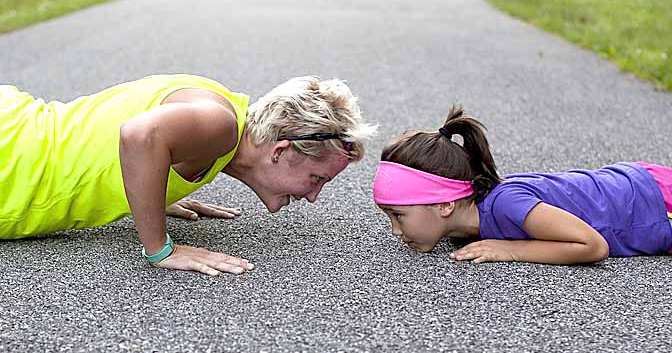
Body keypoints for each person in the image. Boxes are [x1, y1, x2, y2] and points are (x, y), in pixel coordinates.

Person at [1, 74, 376, 275]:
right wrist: (160, 248)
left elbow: (126, 131)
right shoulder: (221, 125)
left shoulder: (223, 115)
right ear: (280, 151)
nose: (313, 196)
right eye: (317, 179)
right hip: (12, 163)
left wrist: (154, 187)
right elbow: (139, 135)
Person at [372, 105, 672, 265]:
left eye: (399, 215)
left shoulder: (506, 204)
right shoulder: (466, 223)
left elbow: (592, 245)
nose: (395, 230)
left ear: (445, 204)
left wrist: (512, 250)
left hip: (656, 200)